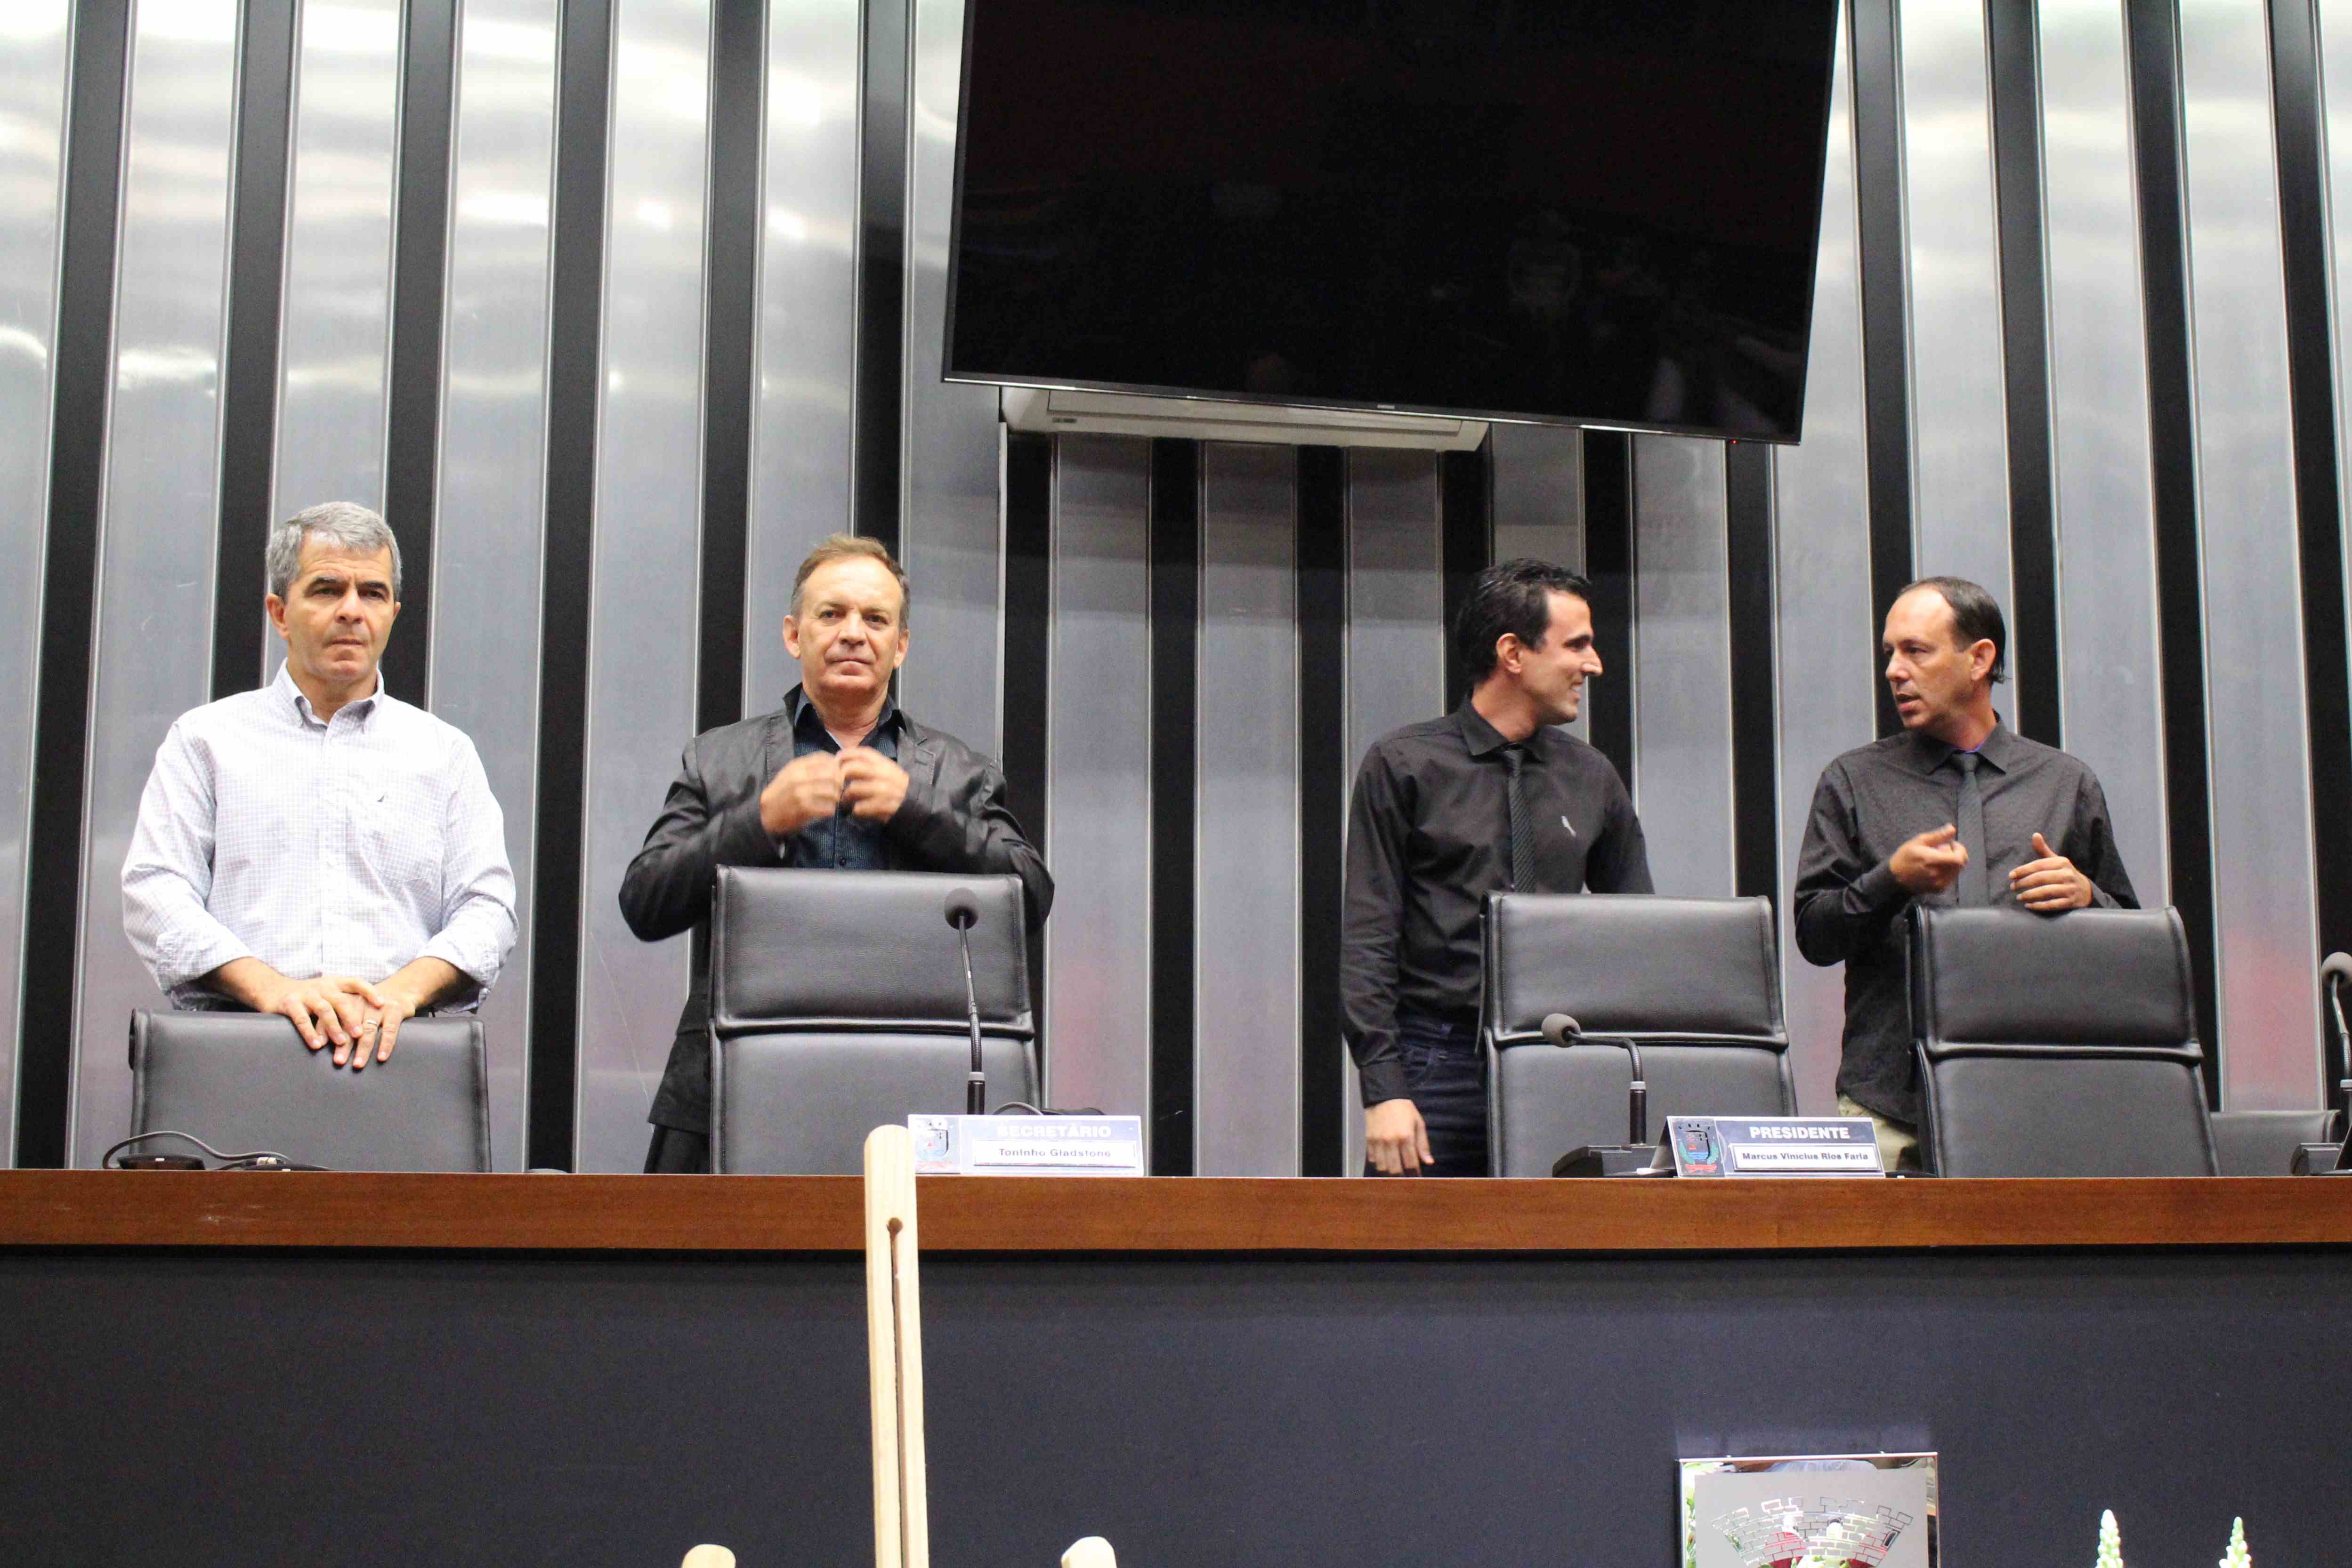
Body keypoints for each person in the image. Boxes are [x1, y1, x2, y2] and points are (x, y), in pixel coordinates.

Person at [620, 533, 1053, 1173]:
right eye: (832, 614)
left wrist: (916, 810)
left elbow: (1031, 895)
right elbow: (644, 901)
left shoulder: (961, 771)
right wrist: (759, 820)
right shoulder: (718, 757)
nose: (854, 633)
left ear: (900, 645)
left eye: (875, 619)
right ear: (794, 634)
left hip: (916, 1081)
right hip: (731, 1083)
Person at [121, 502, 518, 1070]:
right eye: (328, 589)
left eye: (373, 593)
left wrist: (401, 993)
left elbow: (489, 909)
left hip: (400, 1056)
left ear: (393, 615)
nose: (352, 611)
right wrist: (274, 989)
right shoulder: (206, 741)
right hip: (239, 1053)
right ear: (280, 613)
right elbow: (155, 892)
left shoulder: (445, 755)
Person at [1794, 576, 2136, 1169]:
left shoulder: (2065, 784)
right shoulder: (1852, 782)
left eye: (1916, 651)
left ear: (1979, 659)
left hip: (2036, 1102)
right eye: (1890, 653)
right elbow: (1813, 936)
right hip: (1890, 1107)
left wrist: (2088, 898)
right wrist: (1890, 880)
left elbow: (2134, 953)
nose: (1894, 671)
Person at [1342, 557, 1653, 1176]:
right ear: (1512, 652)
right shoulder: (1404, 765)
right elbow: (1368, 936)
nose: (1593, 664)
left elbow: (1639, 935)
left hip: (1561, 1060)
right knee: (1410, 1239)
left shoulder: (1591, 776)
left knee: (1564, 1240)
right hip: (1435, 1065)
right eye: (1577, 644)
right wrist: (1383, 1087)